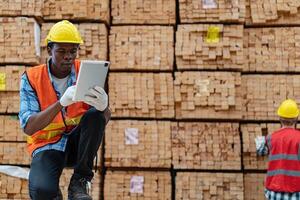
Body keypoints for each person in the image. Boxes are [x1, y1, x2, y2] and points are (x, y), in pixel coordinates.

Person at [19, 20, 110, 200]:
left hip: (78, 146)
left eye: (72, 51)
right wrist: (61, 103)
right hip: (47, 145)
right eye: (61, 51)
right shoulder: (31, 78)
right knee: (42, 191)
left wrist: (104, 107)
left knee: (96, 115)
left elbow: (101, 119)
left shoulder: (86, 71)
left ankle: (80, 182)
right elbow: (28, 127)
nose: (68, 56)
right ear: (49, 50)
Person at [255, 99, 300, 200]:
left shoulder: (271, 138)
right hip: (296, 193)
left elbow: (260, 150)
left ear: (280, 118)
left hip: (274, 192)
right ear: (296, 118)